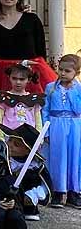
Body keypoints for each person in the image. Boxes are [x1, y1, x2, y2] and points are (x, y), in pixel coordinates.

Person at [44, 54, 81, 208]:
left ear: (76, 73)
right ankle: (58, 192)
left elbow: (78, 109)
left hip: (74, 124)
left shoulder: (78, 88)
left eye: (68, 71)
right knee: (58, 157)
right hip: (56, 124)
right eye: (61, 69)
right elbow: (45, 109)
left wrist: (72, 90)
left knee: (75, 156)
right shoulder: (50, 87)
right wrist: (45, 131)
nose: (63, 73)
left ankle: (74, 192)